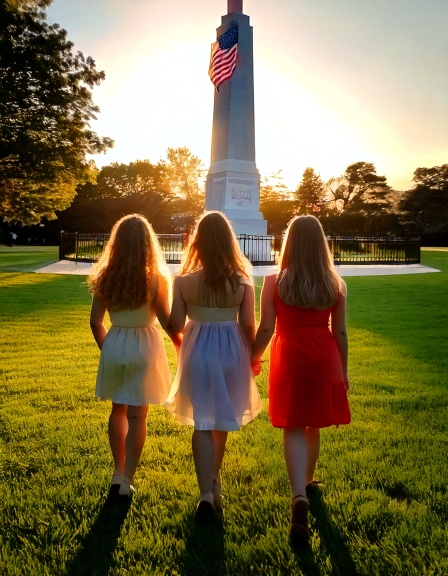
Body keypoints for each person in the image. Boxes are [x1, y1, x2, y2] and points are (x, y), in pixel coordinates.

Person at [252, 215, 350, 546]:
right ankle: (307, 481)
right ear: (320, 244)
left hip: (289, 355)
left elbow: (265, 328)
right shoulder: (335, 283)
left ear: (289, 242)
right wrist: (344, 371)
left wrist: (253, 356)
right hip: (324, 356)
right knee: (313, 424)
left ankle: (299, 496)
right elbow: (340, 331)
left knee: (294, 424)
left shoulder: (274, 281)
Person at [166, 211, 261, 523]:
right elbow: (249, 326)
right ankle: (213, 482)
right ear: (229, 242)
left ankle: (207, 490)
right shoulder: (242, 281)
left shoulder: (183, 281)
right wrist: (253, 356)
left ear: (198, 242)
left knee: (202, 423)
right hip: (231, 351)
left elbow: (175, 324)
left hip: (198, 351)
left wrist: (188, 342)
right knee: (221, 418)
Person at [88, 214, 177, 497]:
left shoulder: (105, 277)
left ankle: (117, 471)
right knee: (139, 415)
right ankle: (127, 478)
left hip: (115, 344)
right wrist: (183, 343)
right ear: (148, 243)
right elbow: (167, 322)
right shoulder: (156, 280)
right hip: (145, 349)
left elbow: (95, 322)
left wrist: (110, 348)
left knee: (118, 410)